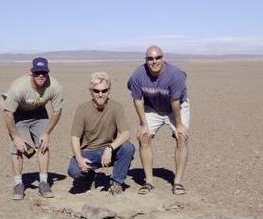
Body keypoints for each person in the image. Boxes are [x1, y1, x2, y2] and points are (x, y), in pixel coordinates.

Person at [127, 45, 190, 195]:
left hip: (176, 107)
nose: (154, 62)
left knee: (181, 137)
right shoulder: (137, 75)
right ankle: (149, 182)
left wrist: (179, 125)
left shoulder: (175, 75)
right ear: (146, 60)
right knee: (144, 137)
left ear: (163, 58)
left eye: (157, 58)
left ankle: (178, 182)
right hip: (153, 107)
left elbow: (175, 102)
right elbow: (137, 100)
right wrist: (143, 124)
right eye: (150, 59)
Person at [0, 57, 63, 199]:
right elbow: (8, 113)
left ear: (48, 73)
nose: (41, 75)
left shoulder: (55, 86)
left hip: (39, 112)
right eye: (37, 72)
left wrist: (47, 133)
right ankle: (18, 184)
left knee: (43, 145)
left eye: (44, 73)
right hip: (18, 113)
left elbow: (57, 111)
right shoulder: (19, 87)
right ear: (31, 73)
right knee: (18, 147)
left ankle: (44, 182)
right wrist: (15, 137)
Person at [67, 72, 135, 195]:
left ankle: (116, 183)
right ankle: (89, 176)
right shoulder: (82, 109)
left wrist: (110, 148)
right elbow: (75, 137)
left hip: (108, 150)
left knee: (128, 147)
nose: (100, 94)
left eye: (104, 91)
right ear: (91, 91)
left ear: (109, 91)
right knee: (74, 171)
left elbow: (125, 133)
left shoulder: (116, 107)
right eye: (96, 91)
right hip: (88, 152)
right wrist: (79, 158)